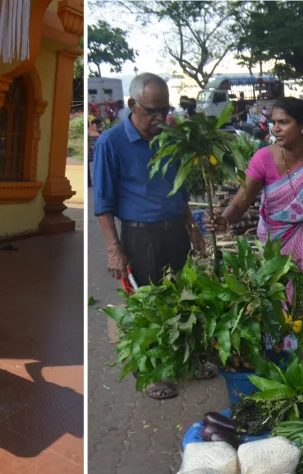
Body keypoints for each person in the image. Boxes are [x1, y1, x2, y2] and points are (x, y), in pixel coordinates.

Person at [205, 97, 303, 368]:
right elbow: (241, 199)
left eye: (284, 122)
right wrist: (225, 219)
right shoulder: (264, 157)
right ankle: (286, 367)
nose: (276, 128)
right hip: (277, 249)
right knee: (282, 305)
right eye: (274, 122)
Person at [93, 73, 208, 399]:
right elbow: (103, 204)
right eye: (153, 111)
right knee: (148, 307)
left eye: (164, 110)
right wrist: (114, 249)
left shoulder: (170, 139)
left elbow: (181, 194)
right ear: (132, 105)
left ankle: (189, 360)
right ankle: (154, 374)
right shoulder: (111, 142)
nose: (160, 118)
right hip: (141, 239)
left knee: (185, 300)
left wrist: (194, 232)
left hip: (177, 234)